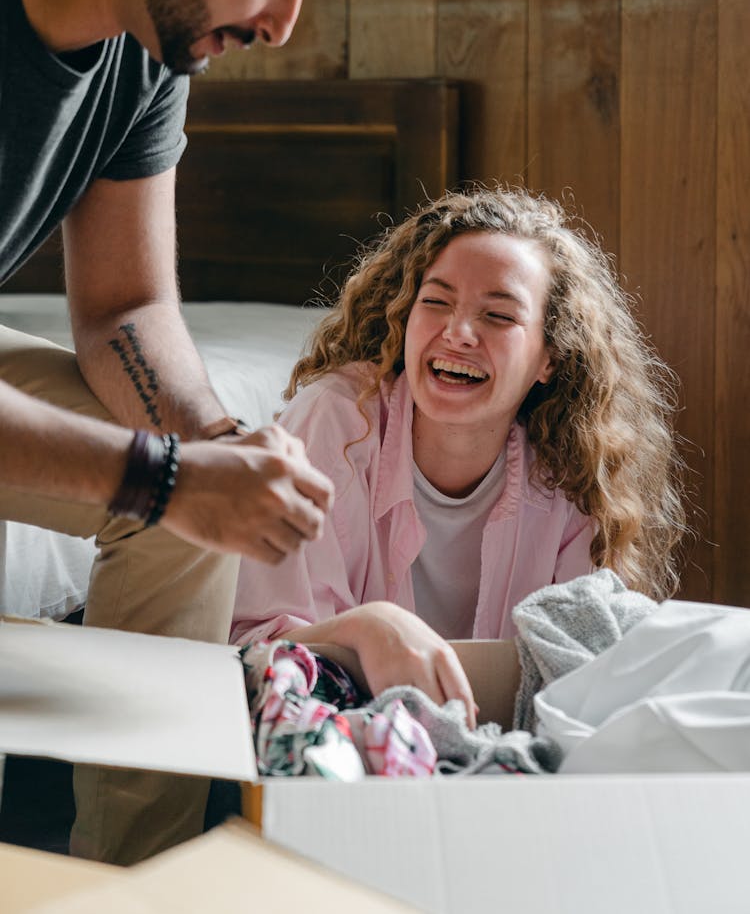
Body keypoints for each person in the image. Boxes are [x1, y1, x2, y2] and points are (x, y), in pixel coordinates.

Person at [0, 0, 381, 864]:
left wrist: (215, 452)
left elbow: (125, 306)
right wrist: (160, 475)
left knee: (185, 510)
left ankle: (135, 878)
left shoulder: (146, 44)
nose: (282, 25)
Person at [232, 185, 688, 727]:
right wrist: (369, 626)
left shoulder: (575, 468)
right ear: (405, 316)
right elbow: (257, 654)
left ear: (550, 356)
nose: (458, 333)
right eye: (436, 302)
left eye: (498, 316)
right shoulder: (334, 421)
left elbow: (581, 672)